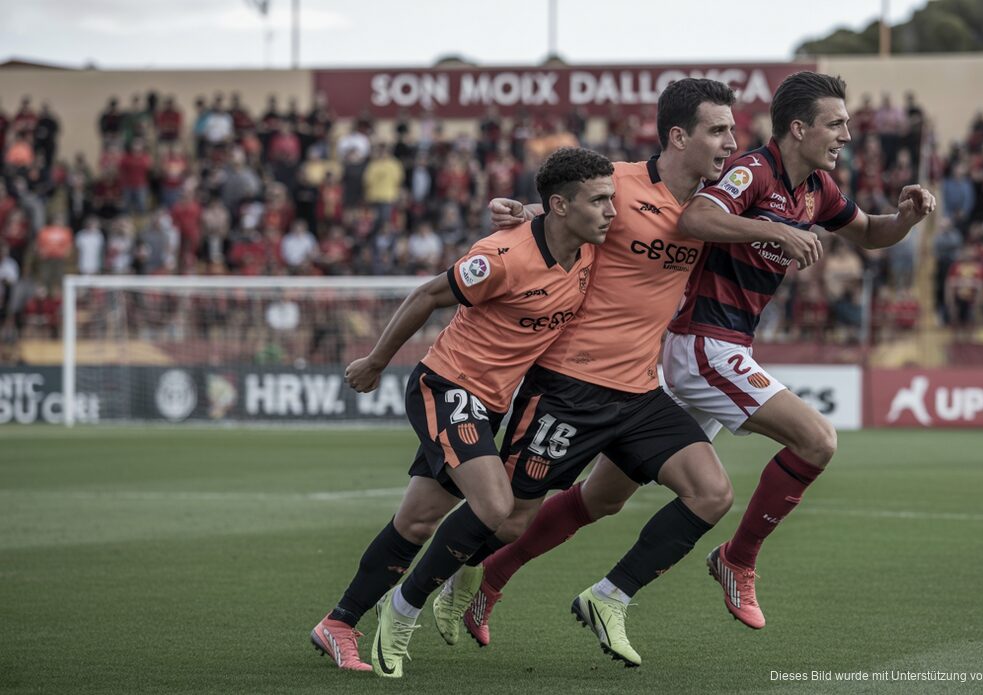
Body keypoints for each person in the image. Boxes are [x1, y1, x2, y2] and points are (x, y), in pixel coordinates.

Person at [451, 73, 929, 648]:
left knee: (602, 498)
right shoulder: (752, 172)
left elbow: (870, 233)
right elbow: (686, 216)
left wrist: (905, 218)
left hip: (701, 351)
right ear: (798, 128)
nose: (847, 134)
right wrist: (773, 228)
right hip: (703, 341)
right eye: (836, 123)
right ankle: (735, 559)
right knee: (817, 440)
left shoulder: (818, 188)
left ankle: (497, 575)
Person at [438, 79, 791, 669]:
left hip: (640, 389)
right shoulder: (621, 184)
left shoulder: (716, 207)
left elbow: (807, 209)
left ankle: (609, 597)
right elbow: (560, 218)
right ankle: (430, 587)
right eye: (718, 130)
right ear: (679, 136)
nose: (732, 143)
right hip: (569, 386)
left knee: (710, 493)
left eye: (733, 130)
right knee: (509, 516)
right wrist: (520, 212)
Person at [308, 147, 613, 678]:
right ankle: (406, 606)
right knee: (496, 504)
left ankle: (339, 623)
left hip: (488, 403)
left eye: (612, 197)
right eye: (600, 200)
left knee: (419, 519)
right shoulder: (502, 257)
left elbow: (576, 215)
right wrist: (376, 361)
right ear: (562, 206)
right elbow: (428, 294)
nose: (612, 209)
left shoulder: (585, 247)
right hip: (446, 386)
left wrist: (527, 209)